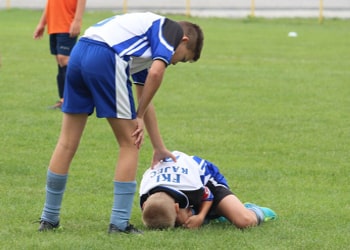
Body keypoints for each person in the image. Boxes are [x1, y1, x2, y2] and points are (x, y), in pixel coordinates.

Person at [37, 12, 204, 234]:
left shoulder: (143, 46)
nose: (175, 62)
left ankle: (48, 219)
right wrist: (139, 116)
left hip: (80, 52)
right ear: (184, 40)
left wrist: (158, 146)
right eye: (182, 58)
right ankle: (119, 223)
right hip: (106, 55)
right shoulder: (171, 30)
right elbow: (156, 74)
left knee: (67, 142)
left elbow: (146, 96)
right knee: (130, 142)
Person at [140, 151, 277, 229]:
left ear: (176, 207)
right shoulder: (145, 193)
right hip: (178, 188)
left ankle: (250, 209)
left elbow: (208, 194)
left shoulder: (191, 187)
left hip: (208, 183)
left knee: (245, 221)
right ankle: (214, 214)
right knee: (178, 221)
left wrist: (200, 217)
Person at [33, 0, 87, 109]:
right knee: (59, 60)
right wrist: (42, 23)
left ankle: (75, 99)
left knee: (64, 59)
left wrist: (77, 20)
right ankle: (64, 99)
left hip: (67, 23)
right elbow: (50, 3)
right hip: (54, 25)